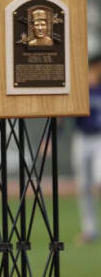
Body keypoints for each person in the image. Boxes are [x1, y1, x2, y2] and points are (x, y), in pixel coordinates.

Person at [72, 54, 101, 244]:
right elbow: (62, 115)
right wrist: (50, 139)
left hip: (99, 138)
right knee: (83, 187)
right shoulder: (80, 89)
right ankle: (89, 229)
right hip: (82, 138)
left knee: (100, 181)